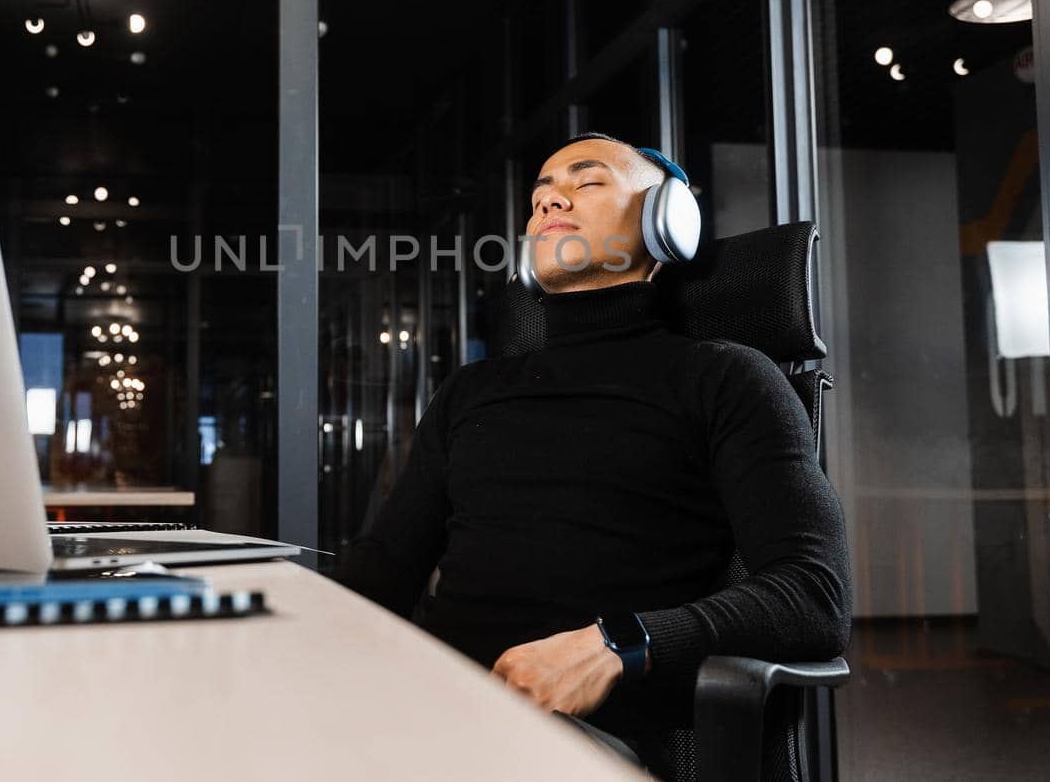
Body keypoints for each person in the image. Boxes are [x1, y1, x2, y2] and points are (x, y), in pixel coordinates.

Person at [336, 132, 852, 776]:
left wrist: (619, 644)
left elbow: (814, 597)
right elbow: (384, 567)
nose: (550, 203)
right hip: (432, 716)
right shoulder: (470, 391)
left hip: (584, 740)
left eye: (586, 183)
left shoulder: (727, 378)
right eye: (540, 196)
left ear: (667, 221)